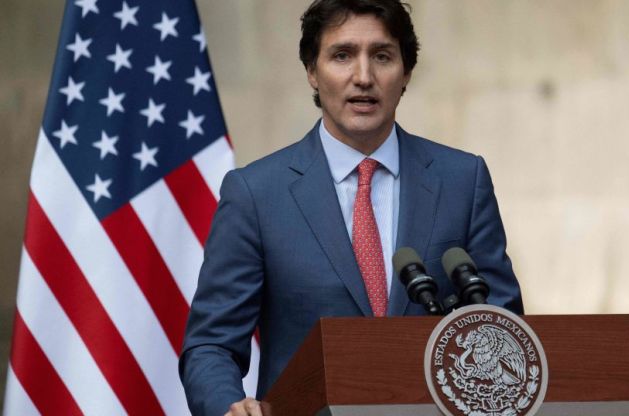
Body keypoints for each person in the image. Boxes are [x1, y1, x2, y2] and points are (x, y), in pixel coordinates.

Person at [179, 1, 524, 415]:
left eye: (382, 56)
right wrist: (228, 406)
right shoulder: (256, 193)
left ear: (406, 72)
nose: (363, 77)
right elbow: (211, 344)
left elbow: (504, 325)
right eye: (342, 55)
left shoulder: (462, 180)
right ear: (312, 70)